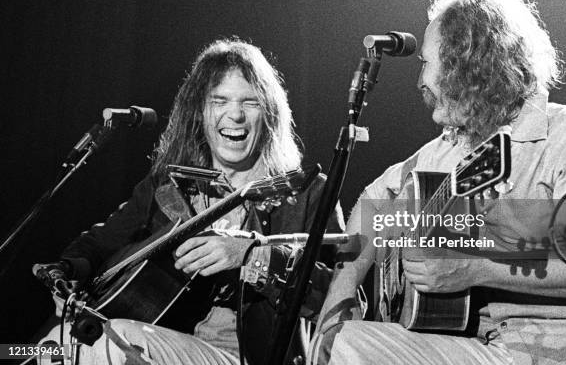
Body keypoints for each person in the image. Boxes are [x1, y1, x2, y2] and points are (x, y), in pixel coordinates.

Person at [310, 0, 566, 365]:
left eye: (426, 65)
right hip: (477, 347)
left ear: (465, 64)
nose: (420, 82)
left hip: (548, 354)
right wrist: (345, 286)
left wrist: (477, 267)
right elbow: (377, 200)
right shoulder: (450, 150)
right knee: (339, 336)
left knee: (353, 346)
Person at [38, 38, 344, 365]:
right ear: (199, 112)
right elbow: (98, 244)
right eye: (219, 100)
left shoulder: (307, 193)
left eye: (250, 102)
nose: (235, 115)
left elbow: (340, 296)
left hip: (242, 357)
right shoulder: (168, 186)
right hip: (160, 341)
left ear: (268, 113)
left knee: (107, 341)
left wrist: (254, 256)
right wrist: (69, 274)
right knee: (48, 350)